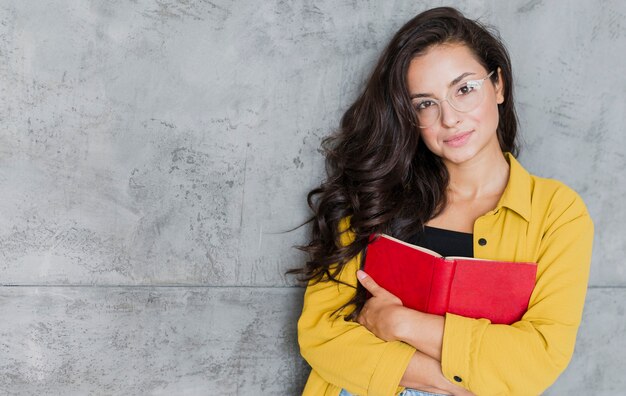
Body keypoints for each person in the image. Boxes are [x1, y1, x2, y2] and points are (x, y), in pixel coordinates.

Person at [292, 6, 594, 396]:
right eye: (425, 103)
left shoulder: (556, 212)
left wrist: (402, 324)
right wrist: (447, 379)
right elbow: (320, 335)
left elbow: (537, 358)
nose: (449, 118)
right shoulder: (373, 196)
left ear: (498, 85)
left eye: (464, 89)